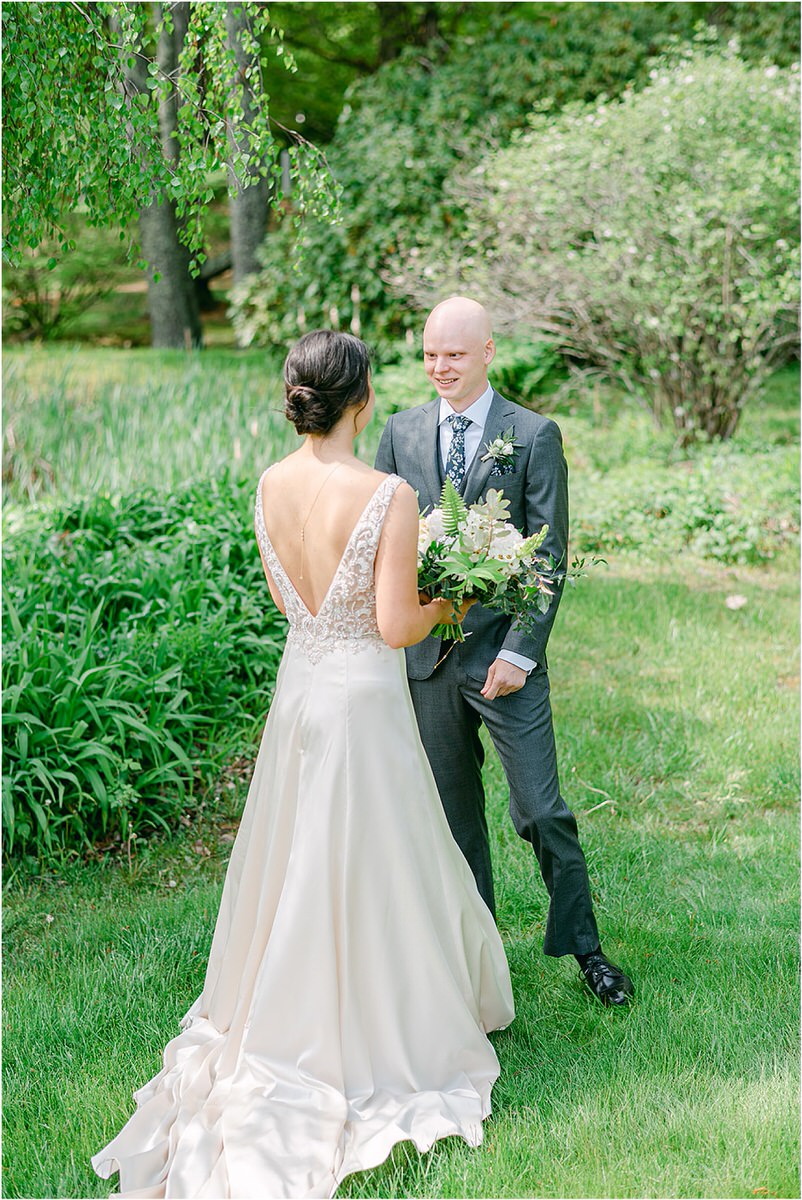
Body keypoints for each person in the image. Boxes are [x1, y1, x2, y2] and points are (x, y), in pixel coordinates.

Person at [91, 330, 514, 1200]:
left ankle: (284, 1000)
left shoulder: (269, 484)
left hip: (301, 689)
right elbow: (396, 625)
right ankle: (381, 1020)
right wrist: (455, 599)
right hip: (362, 697)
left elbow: (295, 598)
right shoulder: (388, 494)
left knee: (299, 854)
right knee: (375, 854)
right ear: (362, 399)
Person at [375, 296, 634, 1007]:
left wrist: (521, 651)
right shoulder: (399, 433)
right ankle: (476, 969)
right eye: (429, 354)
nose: (439, 367)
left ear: (488, 352)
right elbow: (384, 549)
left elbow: (547, 555)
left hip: (505, 660)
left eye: (454, 354)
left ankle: (587, 949)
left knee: (540, 809)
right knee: (453, 824)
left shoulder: (533, 434)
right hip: (427, 660)